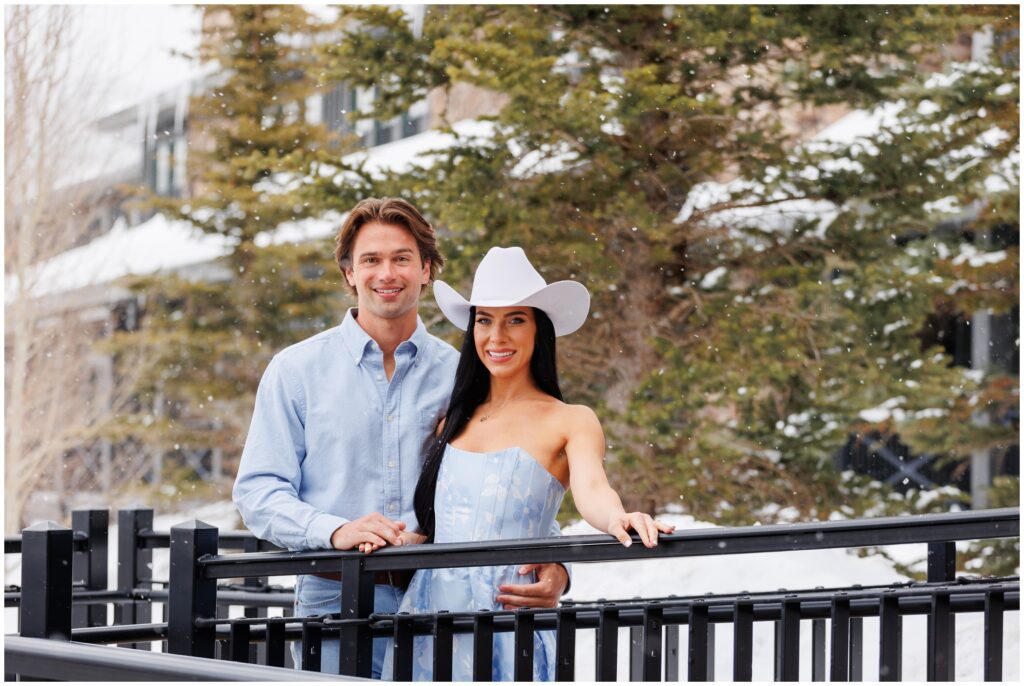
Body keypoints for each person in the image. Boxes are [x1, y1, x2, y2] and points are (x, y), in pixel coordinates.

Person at [231, 199, 569, 678]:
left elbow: (510, 482)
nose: (386, 273)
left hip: (442, 603)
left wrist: (556, 565)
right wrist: (333, 530)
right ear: (349, 272)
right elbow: (258, 492)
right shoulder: (296, 371)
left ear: (426, 269)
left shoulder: (462, 375)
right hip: (334, 598)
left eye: (402, 258)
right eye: (370, 259)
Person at [380, 246, 676, 681]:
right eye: (485, 320)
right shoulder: (454, 417)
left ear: (540, 330)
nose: (496, 337)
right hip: (428, 619)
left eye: (515, 320)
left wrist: (619, 517)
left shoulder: (569, 419)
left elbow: (593, 489)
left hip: (506, 614)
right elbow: (443, 524)